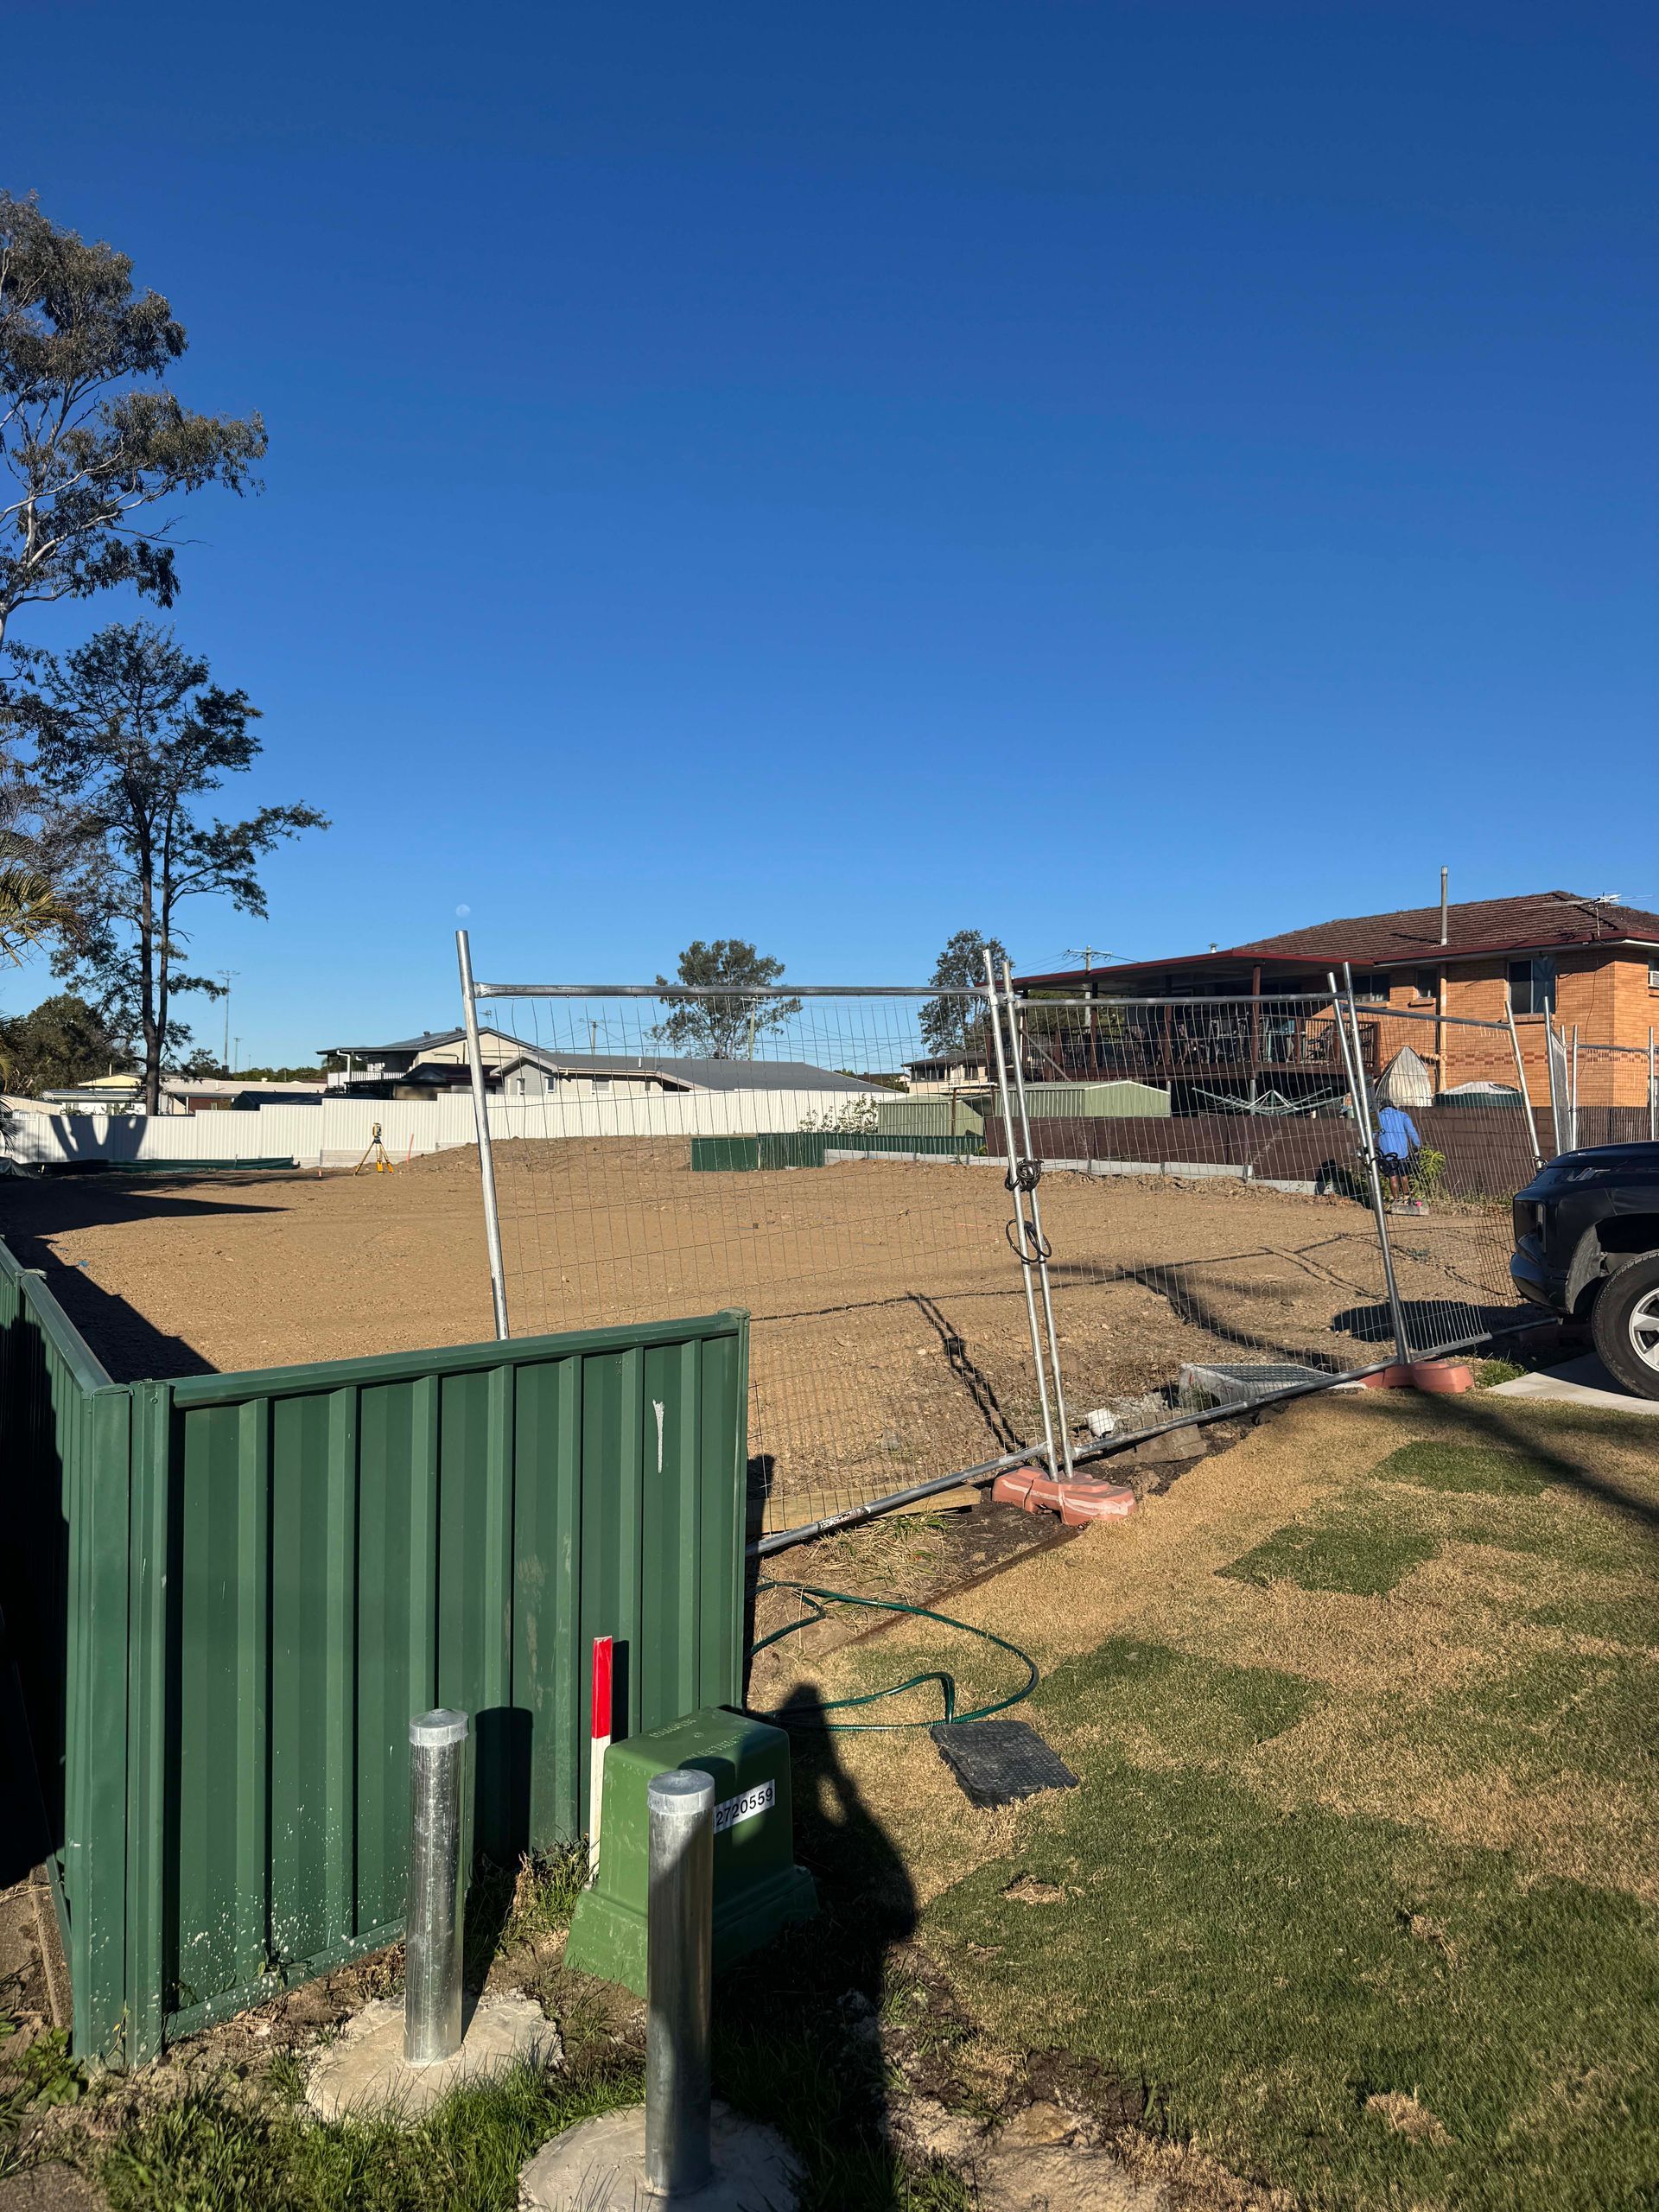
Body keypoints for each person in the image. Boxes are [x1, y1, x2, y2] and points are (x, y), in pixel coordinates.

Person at [1376, 1103, 1421, 1203]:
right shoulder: (1402, 1115)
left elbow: (1372, 1133)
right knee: (1404, 1174)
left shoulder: (1377, 1117)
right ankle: (1406, 1197)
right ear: (1393, 1107)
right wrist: (1417, 1144)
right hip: (1402, 1151)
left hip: (1386, 1153)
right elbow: (1411, 1131)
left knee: (1392, 1176)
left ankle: (1396, 1200)